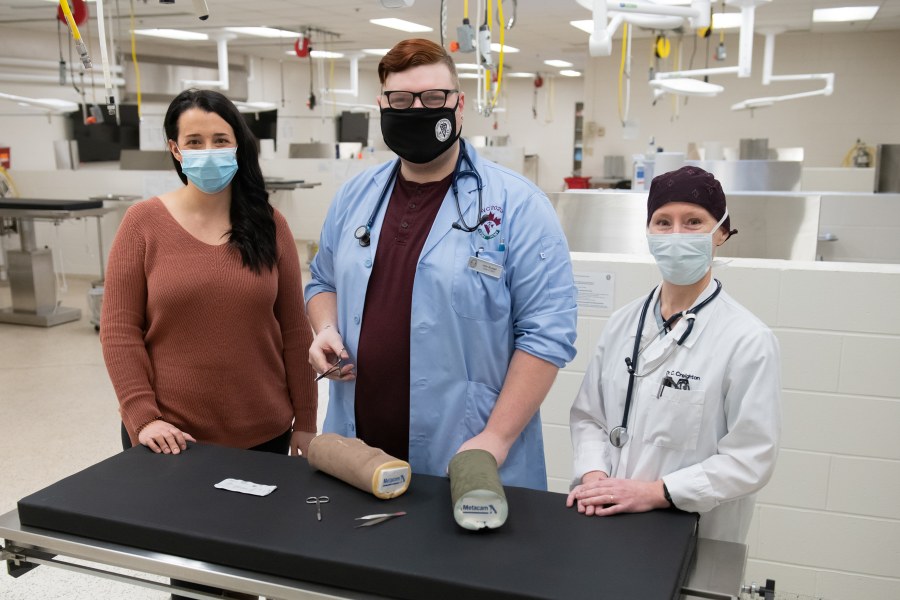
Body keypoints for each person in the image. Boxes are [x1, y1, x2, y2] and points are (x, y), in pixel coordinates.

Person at [305, 38, 577, 490]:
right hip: (359, 450)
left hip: (468, 453)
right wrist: (327, 328)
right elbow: (321, 281)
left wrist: (497, 436)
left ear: (459, 104)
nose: (417, 110)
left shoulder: (517, 205)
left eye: (433, 98)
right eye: (401, 100)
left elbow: (548, 335)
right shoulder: (356, 196)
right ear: (382, 105)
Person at [567, 165, 781, 543]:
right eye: (663, 222)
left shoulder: (747, 339)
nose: (676, 234)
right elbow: (590, 417)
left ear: (722, 233)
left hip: (693, 531)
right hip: (609, 516)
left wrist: (655, 492)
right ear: (649, 233)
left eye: (694, 221)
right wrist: (595, 476)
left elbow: (751, 458)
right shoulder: (622, 323)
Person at [101, 88, 317, 459]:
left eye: (220, 140)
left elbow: (295, 332)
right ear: (176, 150)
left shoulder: (269, 225)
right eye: (194, 142)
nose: (208, 151)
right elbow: (119, 332)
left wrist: (307, 421)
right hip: (168, 437)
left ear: (237, 146)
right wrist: (143, 418)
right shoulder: (142, 224)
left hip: (264, 430)